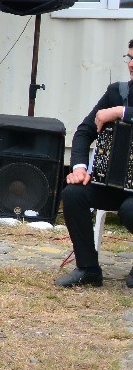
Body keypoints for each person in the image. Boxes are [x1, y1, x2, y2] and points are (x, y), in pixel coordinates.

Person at [55, 44, 133, 287]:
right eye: (129, 58)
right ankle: (88, 268)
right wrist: (79, 167)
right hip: (111, 184)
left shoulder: (119, 105)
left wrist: (122, 112)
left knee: (130, 210)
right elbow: (84, 132)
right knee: (74, 194)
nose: (131, 65)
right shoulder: (118, 92)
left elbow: (121, 113)